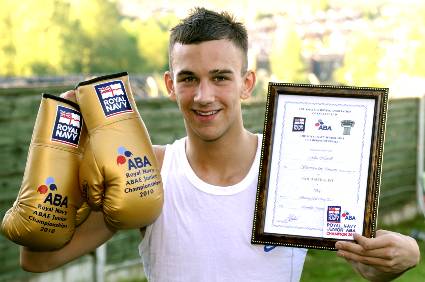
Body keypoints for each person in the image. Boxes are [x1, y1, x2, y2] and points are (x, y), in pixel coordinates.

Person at [20, 7, 420, 281]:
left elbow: (367, 253)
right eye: (189, 78)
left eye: (221, 77)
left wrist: (404, 254)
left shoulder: (290, 164)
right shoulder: (148, 171)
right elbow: (37, 259)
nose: (203, 95)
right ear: (170, 85)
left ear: (247, 83)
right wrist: (62, 150)